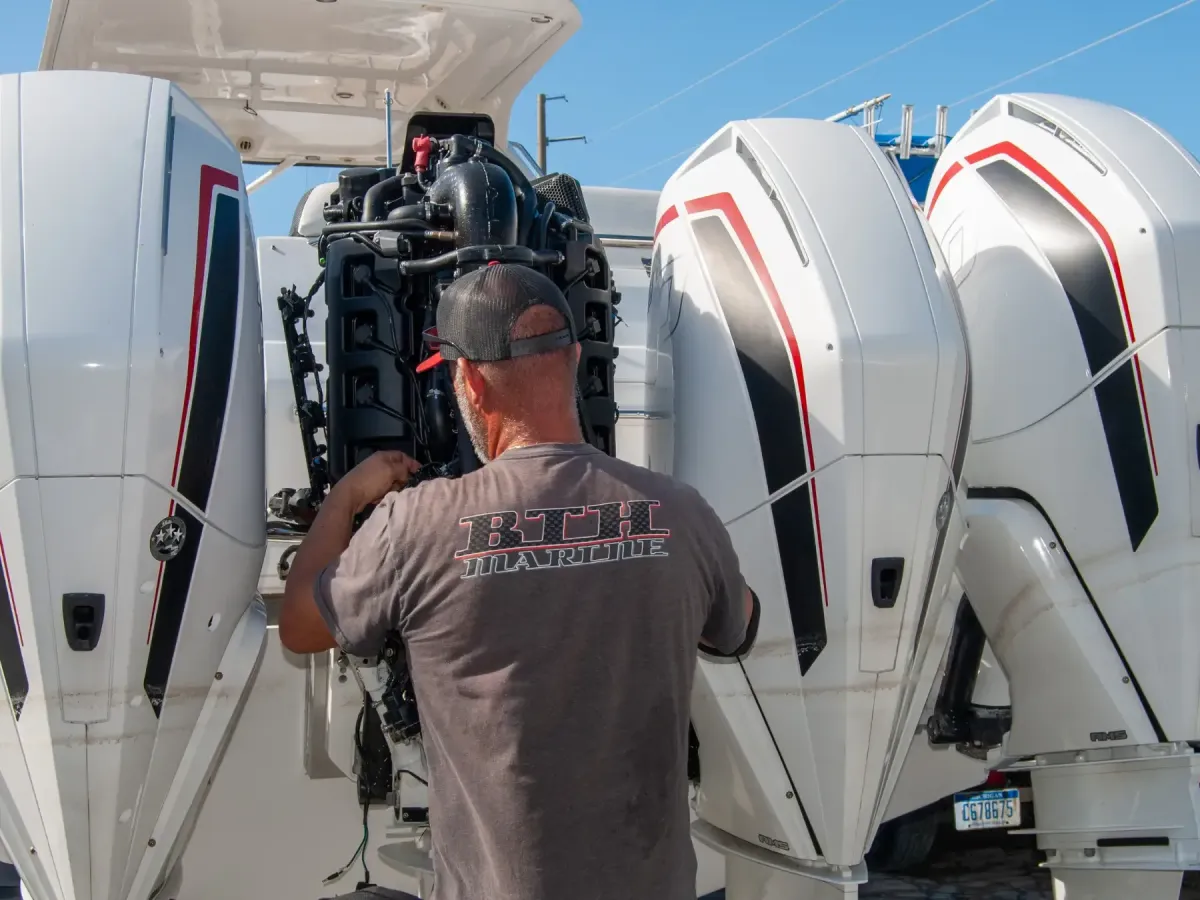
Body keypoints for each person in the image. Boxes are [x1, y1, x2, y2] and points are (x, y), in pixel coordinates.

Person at [280, 263, 760, 900]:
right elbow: (741, 628)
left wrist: (343, 500)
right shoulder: (682, 514)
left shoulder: (414, 525)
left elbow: (300, 626)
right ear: (576, 358)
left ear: (471, 383)